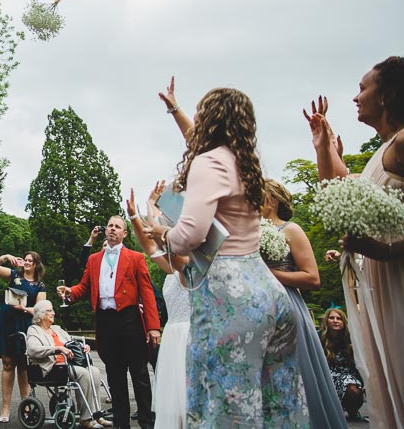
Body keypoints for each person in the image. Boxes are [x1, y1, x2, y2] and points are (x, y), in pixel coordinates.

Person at [145, 87, 308, 427]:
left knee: (227, 405)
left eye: (202, 112)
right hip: (268, 293)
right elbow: (198, 143)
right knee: (276, 404)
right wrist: (176, 110)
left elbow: (190, 234)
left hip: (229, 298)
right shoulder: (246, 163)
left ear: (211, 119)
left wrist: (163, 234)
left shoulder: (209, 161)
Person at [304, 56, 404, 427]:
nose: (356, 97)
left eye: (364, 88)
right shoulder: (383, 150)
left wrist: (386, 250)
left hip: (397, 274)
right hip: (379, 281)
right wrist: (322, 145)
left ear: (388, 94)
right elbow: (338, 188)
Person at [58, 216, 160, 429]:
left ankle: (147, 423)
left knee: (140, 374)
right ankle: (121, 424)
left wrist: (153, 327)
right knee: (115, 376)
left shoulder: (136, 258)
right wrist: (70, 293)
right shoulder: (94, 259)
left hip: (130, 319)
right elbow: (84, 287)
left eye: (118, 227)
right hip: (106, 322)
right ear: (106, 231)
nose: (113, 229)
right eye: (110, 226)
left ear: (124, 234)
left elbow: (147, 293)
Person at [262, 179, 348, 428]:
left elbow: (312, 278)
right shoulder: (245, 231)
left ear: (273, 200)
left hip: (286, 307)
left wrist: (268, 272)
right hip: (257, 310)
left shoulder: (291, 230)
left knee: (295, 374)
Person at [127, 183, 190, 429]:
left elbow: (157, 241)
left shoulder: (189, 263)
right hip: (172, 338)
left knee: (189, 403)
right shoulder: (172, 268)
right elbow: (149, 245)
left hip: (190, 337)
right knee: (174, 409)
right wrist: (135, 215)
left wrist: (151, 207)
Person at [26, 300, 113, 429]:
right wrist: (57, 349)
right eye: (50, 311)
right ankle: (86, 419)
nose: (53, 313)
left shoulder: (57, 329)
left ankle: (97, 416)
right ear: (40, 315)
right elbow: (33, 350)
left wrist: (83, 347)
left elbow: (72, 342)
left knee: (94, 372)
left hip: (67, 365)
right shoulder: (34, 330)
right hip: (52, 367)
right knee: (83, 374)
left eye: (52, 310)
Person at [0, 251, 47, 423]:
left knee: (23, 366)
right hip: (7, 323)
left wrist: (23, 308)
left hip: (26, 325)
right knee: (8, 364)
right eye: (25, 260)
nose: (27, 262)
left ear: (36, 264)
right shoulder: (14, 274)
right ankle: (5, 407)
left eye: (31, 260)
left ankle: (26, 406)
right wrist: (5, 257)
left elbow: (40, 309)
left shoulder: (40, 285)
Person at [319, 308, 365, 421]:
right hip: (327, 372)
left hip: (348, 373)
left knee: (353, 389)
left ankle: (352, 409)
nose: (335, 321)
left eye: (339, 318)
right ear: (326, 321)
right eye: (331, 318)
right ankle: (332, 411)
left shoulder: (351, 337)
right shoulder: (319, 337)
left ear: (343, 322)